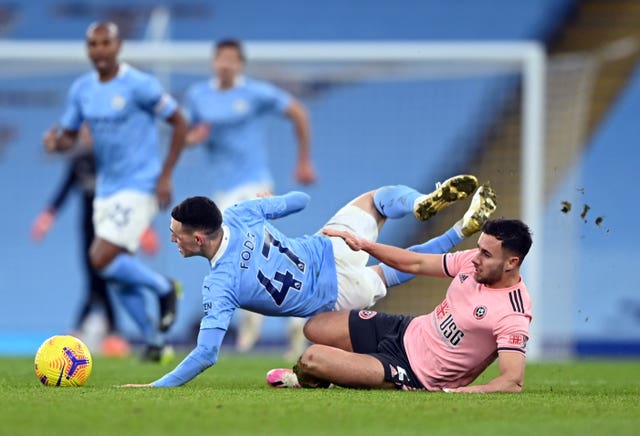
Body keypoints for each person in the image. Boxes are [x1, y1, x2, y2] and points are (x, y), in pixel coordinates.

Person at [121, 173, 497, 387]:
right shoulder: (239, 213)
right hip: (331, 248)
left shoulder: (219, 285)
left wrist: (155, 386)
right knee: (378, 199)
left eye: (176, 234)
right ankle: (422, 206)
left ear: (199, 238)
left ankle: (459, 229)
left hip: (338, 296)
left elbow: (206, 354)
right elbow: (300, 200)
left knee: (378, 282)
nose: (173, 239)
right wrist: (271, 201)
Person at [42, 21, 188, 362]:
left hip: (140, 184)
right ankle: (154, 342)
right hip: (106, 191)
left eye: (105, 43)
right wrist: (55, 142)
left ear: (118, 46)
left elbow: (179, 122)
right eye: (93, 44)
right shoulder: (82, 90)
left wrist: (165, 176)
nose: (99, 50)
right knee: (113, 270)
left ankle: (163, 287)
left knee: (100, 257)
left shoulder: (140, 85)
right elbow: (68, 135)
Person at [267, 218, 533, 393]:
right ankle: (348, 369)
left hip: (414, 373)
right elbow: (415, 262)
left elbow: (512, 381)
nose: (476, 258)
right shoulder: (470, 263)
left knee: (312, 359)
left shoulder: (513, 312)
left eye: (486, 254)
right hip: (405, 330)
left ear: (512, 262)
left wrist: (465, 392)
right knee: (315, 327)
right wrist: (365, 246)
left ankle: (312, 378)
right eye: (478, 249)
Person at [183, 38, 316, 356]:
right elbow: (185, 135)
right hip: (223, 192)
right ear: (214, 62)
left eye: (232, 59)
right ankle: (266, 321)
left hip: (255, 184)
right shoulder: (199, 97)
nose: (225, 64)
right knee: (248, 255)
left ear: (240, 64)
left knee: (251, 252)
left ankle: (272, 322)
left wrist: (303, 161)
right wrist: (194, 138)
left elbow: (298, 111)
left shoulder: (255, 94)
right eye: (220, 58)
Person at [31, 126, 156, 357]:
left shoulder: (111, 162)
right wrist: (47, 216)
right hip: (87, 230)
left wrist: (145, 228)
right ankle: (109, 332)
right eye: (85, 132)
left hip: (110, 230)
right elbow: (65, 189)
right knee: (94, 277)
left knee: (105, 276)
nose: (88, 136)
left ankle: (86, 329)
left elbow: (129, 196)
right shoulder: (78, 159)